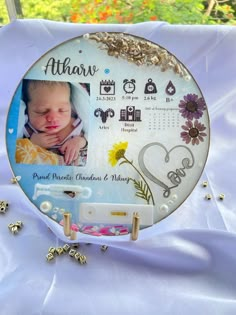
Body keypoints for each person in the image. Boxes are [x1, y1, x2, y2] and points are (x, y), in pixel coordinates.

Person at [22, 79, 87, 165]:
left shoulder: (74, 125)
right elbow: (18, 150)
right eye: (42, 111)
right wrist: (32, 143)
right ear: (27, 110)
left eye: (62, 110)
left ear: (70, 108)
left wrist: (78, 142)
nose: (53, 118)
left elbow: (87, 141)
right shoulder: (29, 131)